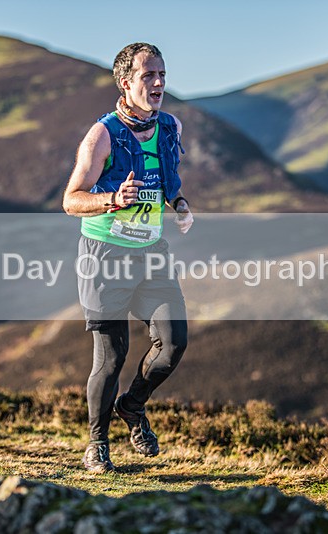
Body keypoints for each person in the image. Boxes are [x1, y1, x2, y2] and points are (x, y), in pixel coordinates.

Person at [62, 42, 193, 473]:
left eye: (162, 75)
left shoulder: (170, 127)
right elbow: (71, 200)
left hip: (151, 252)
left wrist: (179, 205)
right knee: (112, 357)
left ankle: (132, 405)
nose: (158, 83)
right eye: (148, 75)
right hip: (105, 255)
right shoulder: (101, 135)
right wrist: (113, 200)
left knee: (173, 344)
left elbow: (167, 179)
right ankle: (97, 445)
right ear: (125, 83)